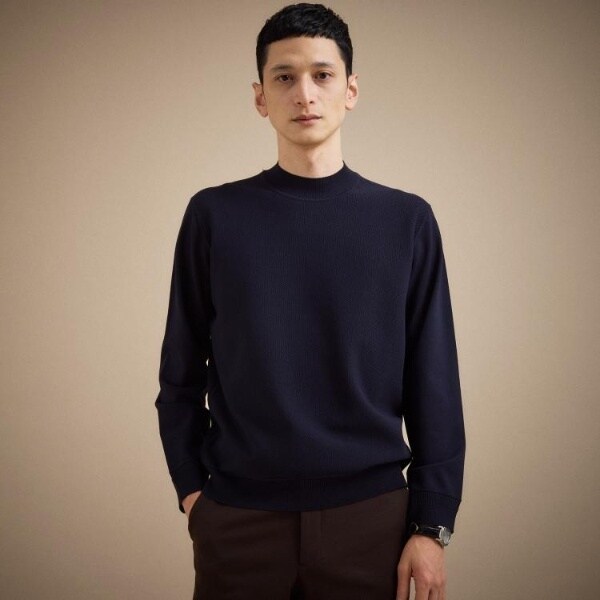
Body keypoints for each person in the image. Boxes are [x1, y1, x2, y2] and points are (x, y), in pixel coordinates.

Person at [154, 3, 465, 599]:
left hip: (372, 520)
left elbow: (435, 384)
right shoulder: (214, 215)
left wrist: (432, 525)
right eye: (284, 77)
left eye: (322, 75)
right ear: (260, 97)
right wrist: (194, 492)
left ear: (351, 90)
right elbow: (180, 372)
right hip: (238, 519)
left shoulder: (406, 221)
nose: (304, 93)